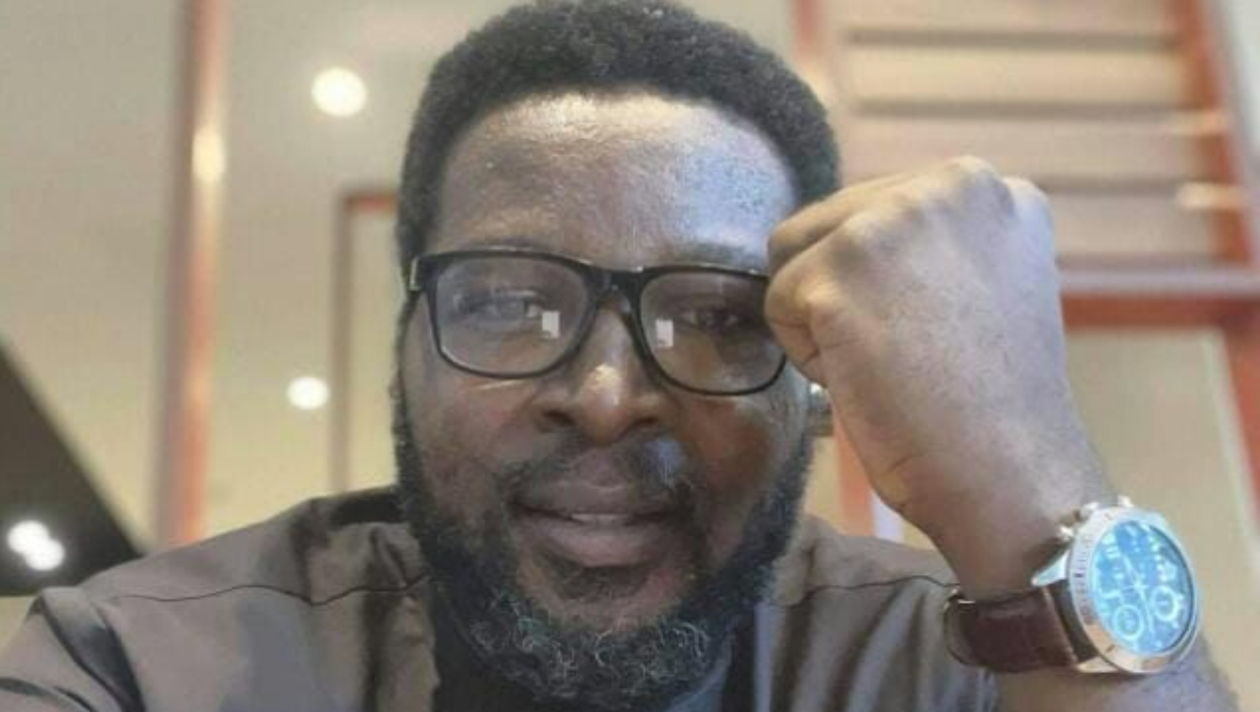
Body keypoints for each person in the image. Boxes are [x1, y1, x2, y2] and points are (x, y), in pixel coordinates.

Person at [0, 1, 1240, 710]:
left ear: (809, 376)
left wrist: (1030, 485)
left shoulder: (954, 660)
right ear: (405, 348)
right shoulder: (143, 667)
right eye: (509, 302)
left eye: (716, 314)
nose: (604, 397)